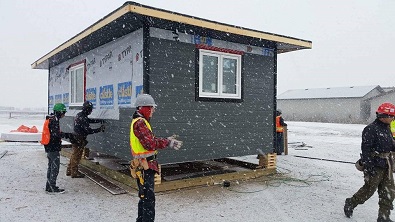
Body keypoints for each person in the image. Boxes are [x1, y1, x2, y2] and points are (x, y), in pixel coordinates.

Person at [130, 94, 182, 222]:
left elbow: (150, 140)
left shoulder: (141, 122)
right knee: (148, 199)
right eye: (151, 108)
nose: (153, 111)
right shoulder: (140, 123)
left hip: (143, 166)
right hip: (144, 167)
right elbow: (150, 144)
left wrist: (165, 140)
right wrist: (167, 142)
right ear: (144, 108)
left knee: (144, 197)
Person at [344, 102, 395, 222]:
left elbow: (390, 145)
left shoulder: (387, 128)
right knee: (368, 190)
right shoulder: (370, 129)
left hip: (386, 165)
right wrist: (368, 166)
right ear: (383, 116)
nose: (393, 118)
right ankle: (351, 202)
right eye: (391, 116)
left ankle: (383, 217)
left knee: (389, 192)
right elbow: (365, 149)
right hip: (374, 165)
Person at [66, 101, 105, 178]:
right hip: (79, 138)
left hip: (75, 137)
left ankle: (69, 170)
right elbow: (88, 130)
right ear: (87, 109)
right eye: (90, 110)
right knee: (77, 156)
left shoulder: (80, 115)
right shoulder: (83, 117)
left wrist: (98, 120)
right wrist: (99, 129)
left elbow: (88, 121)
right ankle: (74, 172)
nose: (91, 111)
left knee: (74, 154)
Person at [43, 103, 70, 194]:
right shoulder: (54, 121)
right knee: (55, 167)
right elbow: (55, 135)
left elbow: (54, 133)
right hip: (53, 147)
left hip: (49, 147)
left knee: (51, 166)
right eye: (63, 113)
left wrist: (64, 134)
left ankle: (49, 186)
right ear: (59, 112)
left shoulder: (51, 119)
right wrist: (66, 135)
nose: (64, 115)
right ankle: (52, 187)